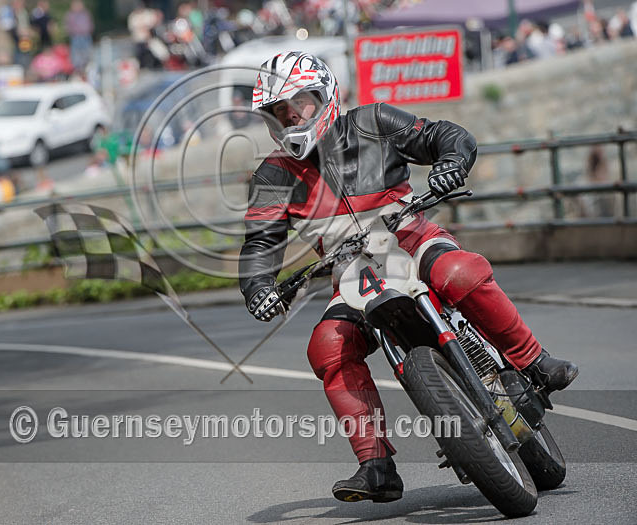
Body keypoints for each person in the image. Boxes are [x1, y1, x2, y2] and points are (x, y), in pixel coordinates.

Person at [239, 52, 580, 504]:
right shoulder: (273, 175)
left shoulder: (374, 121)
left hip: (410, 239)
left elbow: (443, 135)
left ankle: (535, 361)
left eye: (297, 103)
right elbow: (260, 244)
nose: (291, 116)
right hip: (352, 273)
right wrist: (259, 286)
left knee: (460, 272)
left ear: (323, 95)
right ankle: (375, 464)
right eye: (279, 111)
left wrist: (451, 161)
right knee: (327, 346)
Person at [65, 0, 94, 73]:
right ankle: (78, 70)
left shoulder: (86, 14)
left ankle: (87, 68)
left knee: (87, 53)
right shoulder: (70, 15)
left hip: (86, 36)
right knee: (76, 54)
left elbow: (90, 24)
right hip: (76, 37)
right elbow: (68, 27)